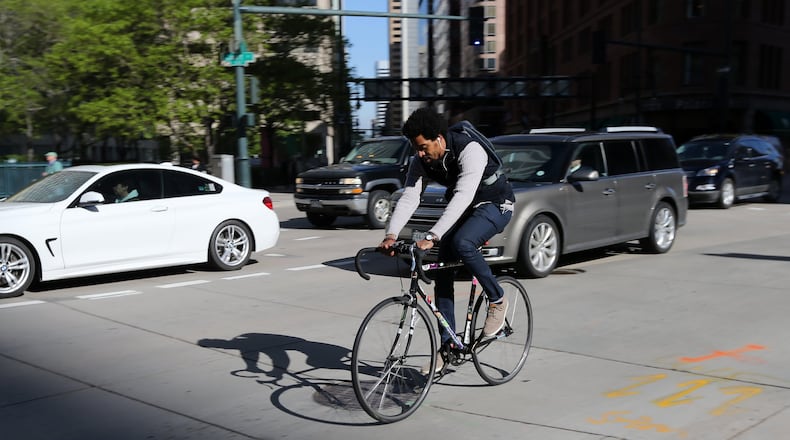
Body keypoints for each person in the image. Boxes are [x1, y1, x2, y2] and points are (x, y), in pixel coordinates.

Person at [379, 107, 515, 373]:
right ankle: (449, 347)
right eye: (415, 148)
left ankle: (497, 300)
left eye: (423, 147)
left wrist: (432, 235)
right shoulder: (421, 160)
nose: (419, 154)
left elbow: (463, 195)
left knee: (463, 243)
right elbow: (410, 197)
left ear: (439, 138)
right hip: (468, 210)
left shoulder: (470, 149)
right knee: (442, 270)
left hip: (497, 204)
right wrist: (391, 234)